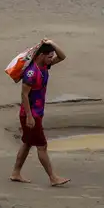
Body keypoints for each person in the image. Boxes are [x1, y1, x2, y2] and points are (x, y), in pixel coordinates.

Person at [10, 38, 70, 186]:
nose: (51, 59)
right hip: (31, 115)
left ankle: (15, 173)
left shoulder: (45, 66)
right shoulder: (31, 73)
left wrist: (52, 43)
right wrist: (30, 117)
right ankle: (53, 177)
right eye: (49, 56)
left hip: (36, 113)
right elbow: (24, 95)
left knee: (27, 143)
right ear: (41, 55)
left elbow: (62, 56)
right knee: (42, 146)